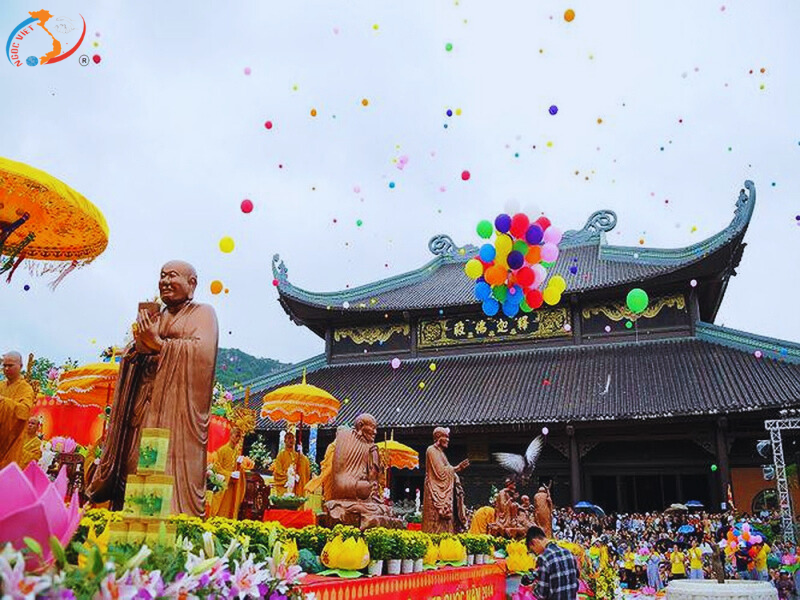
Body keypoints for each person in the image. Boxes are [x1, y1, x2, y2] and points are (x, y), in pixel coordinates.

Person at [87, 261, 219, 517]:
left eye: (172, 276)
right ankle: (129, 518)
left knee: (158, 466)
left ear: (191, 283)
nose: (165, 282)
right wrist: (137, 348)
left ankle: (157, 519)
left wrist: (159, 344)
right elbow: (135, 350)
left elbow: (202, 354)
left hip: (173, 414)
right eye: (162, 276)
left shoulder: (203, 313)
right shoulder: (156, 315)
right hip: (142, 406)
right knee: (133, 462)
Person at [323, 413, 401, 528]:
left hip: (362, 492)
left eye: (376, 429)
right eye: (372, 428)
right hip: (349, 486)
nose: (375, 432)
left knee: (373, 500)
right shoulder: (345, 437)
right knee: (364, 490)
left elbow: (373, 480)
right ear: (360, 426)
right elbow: (339, 475)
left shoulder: (370, 447)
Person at [422, 426, 469, 533]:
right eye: (445, 437)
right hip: (434, 489)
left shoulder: (441, 453)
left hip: (444, 490)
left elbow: (448, 471)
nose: (448, 440)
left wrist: (456, 475)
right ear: (438, 438)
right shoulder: (431, 450)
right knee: (434, 523)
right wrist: (457, 468)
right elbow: (440, 473)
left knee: (446, 524)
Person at [0, 351, 35, 469]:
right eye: (4, 365)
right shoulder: (1, 386)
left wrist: (3, 402)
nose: (6, 369)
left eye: (10, 365)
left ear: (20, 366)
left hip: (12, 441)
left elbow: (24, 412)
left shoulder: (25, 388)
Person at [526, 525, 579, 600]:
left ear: (535, 542)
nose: (536, 553)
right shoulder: (568, 553)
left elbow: (541, 594)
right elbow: (576, 578)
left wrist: (533, 588)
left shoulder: (544, 558)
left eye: (533, 550)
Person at [211, 426, 246, 519]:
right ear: (231, 436)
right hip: (224, 483)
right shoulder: (222, 450)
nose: (237, 439)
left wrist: (239, 466)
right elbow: (217, 468)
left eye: (239, 437)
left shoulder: (236, 452)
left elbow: (237, 469)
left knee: (231, 506)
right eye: (236, 436)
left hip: (232, 484)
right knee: (221, 508)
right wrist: (229, 474)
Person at [272, 430, 310, 497]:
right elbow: (278, 471)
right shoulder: (281, 455)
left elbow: (304, 469)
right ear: (285, 440)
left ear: (295, 441)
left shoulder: (298, 456)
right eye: (289, 438)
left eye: (293, 438)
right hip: (286, 485)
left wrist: (301, 454)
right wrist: (289, 478)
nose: (291, 440)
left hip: (296, 486)